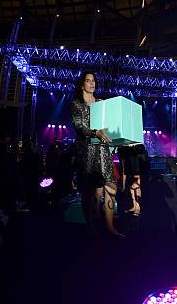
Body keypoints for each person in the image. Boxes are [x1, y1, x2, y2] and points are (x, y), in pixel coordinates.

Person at [70, 71, 123, 238]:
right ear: (82, 84)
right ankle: (91, 226)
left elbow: (109, 123)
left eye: (93, 80)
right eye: (88, 80)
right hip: (87, 152)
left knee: (112, 186)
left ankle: (110, 226)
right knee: (89, 190)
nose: (92, 83)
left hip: (103, 150)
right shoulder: (76, 103)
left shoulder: (101, 102)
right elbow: (79, 125)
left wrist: (115, 136)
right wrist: (95, 133)